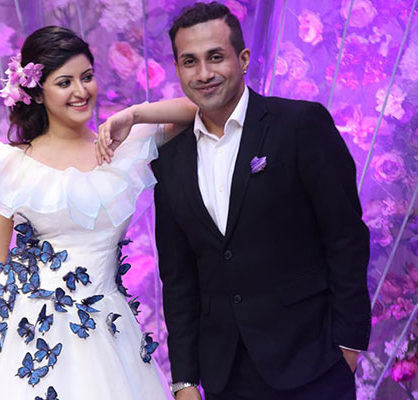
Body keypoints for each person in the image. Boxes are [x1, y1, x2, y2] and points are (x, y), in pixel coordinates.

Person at [96, 3, 371, 399]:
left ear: (242, 60)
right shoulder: (171, 159)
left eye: (215, 57)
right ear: (178, 70)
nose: (203, 73)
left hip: (312, 359)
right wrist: (184, 379)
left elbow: (345, 237)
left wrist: (348, 343)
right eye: (190, 61)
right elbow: (179, 277)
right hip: (225, 373)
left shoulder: (299, 125)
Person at [0, 26, 196, 400]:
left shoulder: (121, 146)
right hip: (26, 332)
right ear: (37, 93)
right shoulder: (9, 166)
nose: (81, 91)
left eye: (87, 77)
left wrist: (133, 114)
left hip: (107, 329)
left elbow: (199, 108)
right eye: (65, 82)